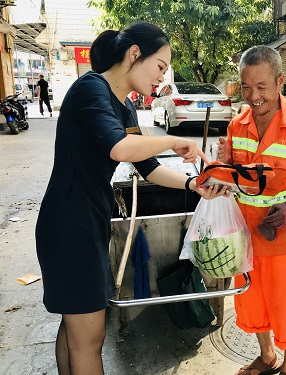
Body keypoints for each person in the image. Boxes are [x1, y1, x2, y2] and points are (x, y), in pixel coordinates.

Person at [35, 22, 228, 375]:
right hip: (69, 227)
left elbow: (149, 167)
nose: (161, 77)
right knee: (89, 339)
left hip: (88, 221)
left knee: (76, 329)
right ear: (134, 54)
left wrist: (193, 185)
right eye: (160, 66)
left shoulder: (123, 109)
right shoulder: (90, 88)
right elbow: (119, 147)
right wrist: (173, 140)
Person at [217, 45, 286, 375]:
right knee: (252, 299)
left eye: (262, 87)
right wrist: (218, 167)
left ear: (280, 81)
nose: (254, 96)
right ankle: (267, 356)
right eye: (246, 87)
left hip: (284, 237)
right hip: (245, 234)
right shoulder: (237, 126)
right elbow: (234, 174)